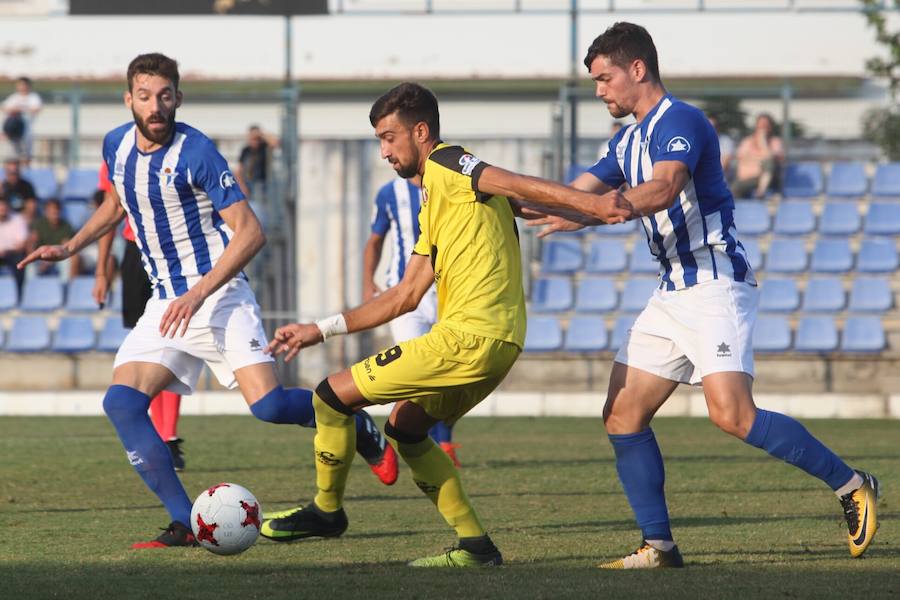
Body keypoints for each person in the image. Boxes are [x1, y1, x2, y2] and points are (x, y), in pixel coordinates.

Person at [520, 22, 879, 568]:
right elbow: (574, 196)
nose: (599, 91)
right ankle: (658, 545)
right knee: (621, 415)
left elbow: (663, 188)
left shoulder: (681, 120)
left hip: (715, 286)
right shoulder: (624, 141)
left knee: (732, 416)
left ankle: (851, 484)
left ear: (637, 69)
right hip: (671, 294)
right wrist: (493, 194)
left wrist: (596, 211)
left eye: (604, 78)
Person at [19, 53, 397, 549]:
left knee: (269, 407)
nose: (157, 106)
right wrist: (72, 246)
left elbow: (251, 232)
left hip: (218, 296)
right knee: (122, 403)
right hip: (167, 304)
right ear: (128, 98)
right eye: (146, 96)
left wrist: (198, 294)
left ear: (178, 97)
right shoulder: (115, 145)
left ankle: (354, 420)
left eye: (166, 96)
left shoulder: (197, 151)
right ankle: (184, 523)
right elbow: (118, 202)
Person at [260, 82, 631, 566]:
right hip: (497, 344)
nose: (385, 151)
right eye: (379, 141)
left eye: (390, 138)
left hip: (468, 338)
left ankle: (327, 511)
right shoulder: (437, 201)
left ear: (420, 131)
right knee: (407, 429)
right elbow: (404, 295)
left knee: (330, 396)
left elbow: (513, 181)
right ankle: (476, 546)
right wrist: (320, 328)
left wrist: (595, 205)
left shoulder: (449, 163)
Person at [93, 162, 187, 469]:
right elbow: (110, 213)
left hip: (172, 252)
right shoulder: (116, 159)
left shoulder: (176, 153)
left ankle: (168, 438)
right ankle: (157, 438)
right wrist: (101, 270)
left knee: (171, 343)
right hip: (136, 252)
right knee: (147, 347)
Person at [363, 175, 460, 466]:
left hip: (448, 290)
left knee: (450, 369)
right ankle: (436, 444)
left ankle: (441, 441)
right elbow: (375, 240)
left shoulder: (451, 182)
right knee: (418, 368)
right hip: (404, 294)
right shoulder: (388, 193)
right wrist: (368, 280)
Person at [732, 113, 784, 199]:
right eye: (760, 125)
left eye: (765, 126)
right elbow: (741, 158)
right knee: (734, 188)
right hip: (748, 177)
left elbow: (770, 158)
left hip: (769, 179)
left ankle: (761, 192)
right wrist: (759, 160)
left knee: (768, 162)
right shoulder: (747, 141)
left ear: (770, 127)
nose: (762, 128)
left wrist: (762, 142)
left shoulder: (775, 142)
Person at [28, 198, 79, 277]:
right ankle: (30, 287)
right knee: (30, 265)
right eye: (51, 211)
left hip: (58, 257)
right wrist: (37, 258)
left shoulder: (66, 226)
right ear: (46, 212)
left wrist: (50, 261)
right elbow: (31, 244)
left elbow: (65, 248)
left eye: (56, 210)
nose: (54, 213)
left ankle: (65, 287)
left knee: (67, 263)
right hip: (40, 257)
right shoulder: (38, 224)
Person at [3, 77, 42, 164]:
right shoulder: (13, 97)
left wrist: (20, 109)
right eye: (19, 85)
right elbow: (5, 109)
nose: (21, 87)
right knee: (12, 157)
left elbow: (36, 109)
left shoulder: (33, 97)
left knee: (25, 157)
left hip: (26, 132)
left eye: (23, 85)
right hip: (12, 132)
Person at [234, 125, 274, 198]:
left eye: (257, 139)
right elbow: (239, 170)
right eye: (253, 139)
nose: (255, 141)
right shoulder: (246, 150)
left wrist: (261, 134)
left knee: (259, 206)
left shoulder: (264, 147)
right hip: (247, 183)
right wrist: (242, 185)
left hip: (260, 183)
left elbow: (275, 143)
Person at [0, 197, 28, 292]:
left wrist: (6, 250)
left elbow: (21, 245)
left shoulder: (18, 219)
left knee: (20, 260)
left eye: (4, 206)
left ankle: (19, 291)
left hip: (12, 253)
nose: (2, 209)